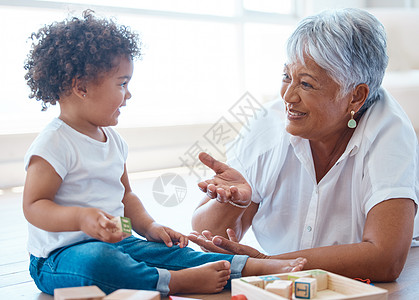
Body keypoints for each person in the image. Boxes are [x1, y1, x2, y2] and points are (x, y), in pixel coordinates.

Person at [22, 10, 307, 297]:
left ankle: (253, 269)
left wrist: (149, 226)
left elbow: (126, 196)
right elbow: (34, 206)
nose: (128, 94)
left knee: (170, 251)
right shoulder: (54, 143)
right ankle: (172, 282)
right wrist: (81, 219)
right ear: (81, 87)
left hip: (118, 243)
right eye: (122, 84)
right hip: (59, 258)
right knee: (98, 262)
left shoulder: (114, 141)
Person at [189, 8, 419, 282]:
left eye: (306, 84)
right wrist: (234, 204)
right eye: (287, 76)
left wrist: (266, 263)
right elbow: (207, 237)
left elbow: (386, 260)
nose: (287, 95)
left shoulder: (389, 133)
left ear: (355, 96)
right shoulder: (269, 126)